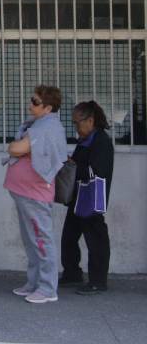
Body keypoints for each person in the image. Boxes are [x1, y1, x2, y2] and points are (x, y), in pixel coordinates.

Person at [4, 84, 68, 304]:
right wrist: (19, 146)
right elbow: (20, 147)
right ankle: (34, 283)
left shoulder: (48, 128)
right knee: (31, 240)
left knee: (41, 240)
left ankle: (48, 288)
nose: (30, 104)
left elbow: (16, 149)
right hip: (25, 191)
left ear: (48, 108)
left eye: (35, 102)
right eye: (31, 100)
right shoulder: (38, 124)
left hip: (35, 193)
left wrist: (16, 146)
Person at [60, 100, 114, 295]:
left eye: (77, 122)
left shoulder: (101, 141)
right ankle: (72, 273)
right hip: (78, 197)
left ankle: (98, 281)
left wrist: (72, 165)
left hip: (91, 198)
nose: (76, 127)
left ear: (90, 120)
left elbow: (96, 171)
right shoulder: (86, 140)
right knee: (69, 237)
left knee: (96, 239)